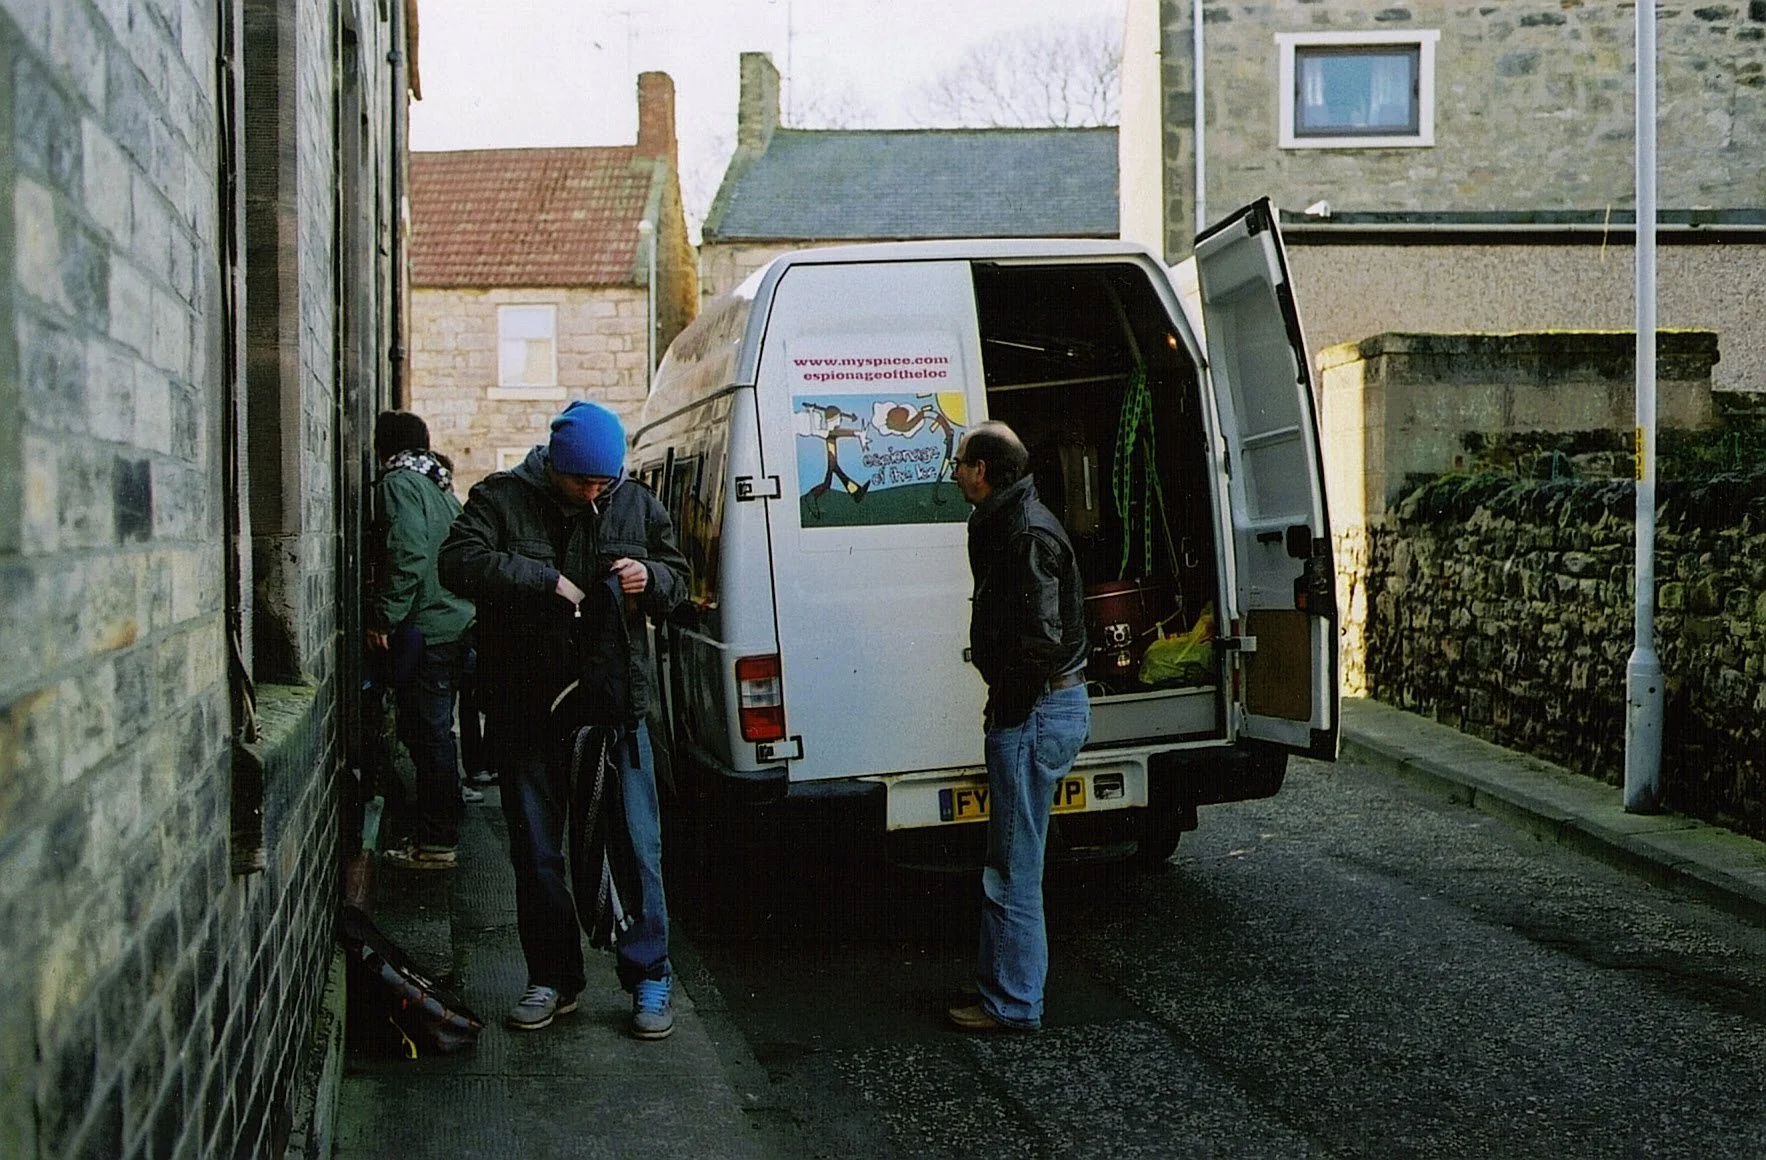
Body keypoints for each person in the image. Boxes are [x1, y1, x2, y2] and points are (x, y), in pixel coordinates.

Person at [439, 400, 688, 1039]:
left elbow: (680, 579)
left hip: (613, 708)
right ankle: (552, 978)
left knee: (637, 848)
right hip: (528, 710)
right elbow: (457, 562)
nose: (595, 492)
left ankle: (650, 976)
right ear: (553, 464)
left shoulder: (634, 502)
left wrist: (650, 576)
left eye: (605, 480)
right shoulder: (499, 498)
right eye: (583, 481)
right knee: (537, 853)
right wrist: (541, 579)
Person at [945, 420, 1091, 1034]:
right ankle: (1008, 991)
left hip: (1036, 711)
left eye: (960, 462)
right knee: (1013, 859)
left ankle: (1013, 1003)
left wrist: (1007, 711)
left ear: (983, 470)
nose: (953, 472)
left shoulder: (1025, 532)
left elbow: (1040, 641)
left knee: (1012, 865)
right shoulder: (1011, 520)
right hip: (1039, 707)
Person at [368, 411, 478, 870]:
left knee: (429, 733)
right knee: (434, 732)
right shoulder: (439, 486)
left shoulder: (397, 484)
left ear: (384, 447)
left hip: (427, 629)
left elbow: (409, 552)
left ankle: (436, 843)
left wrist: (384, 617)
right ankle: (441, 823)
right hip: (454, 624)